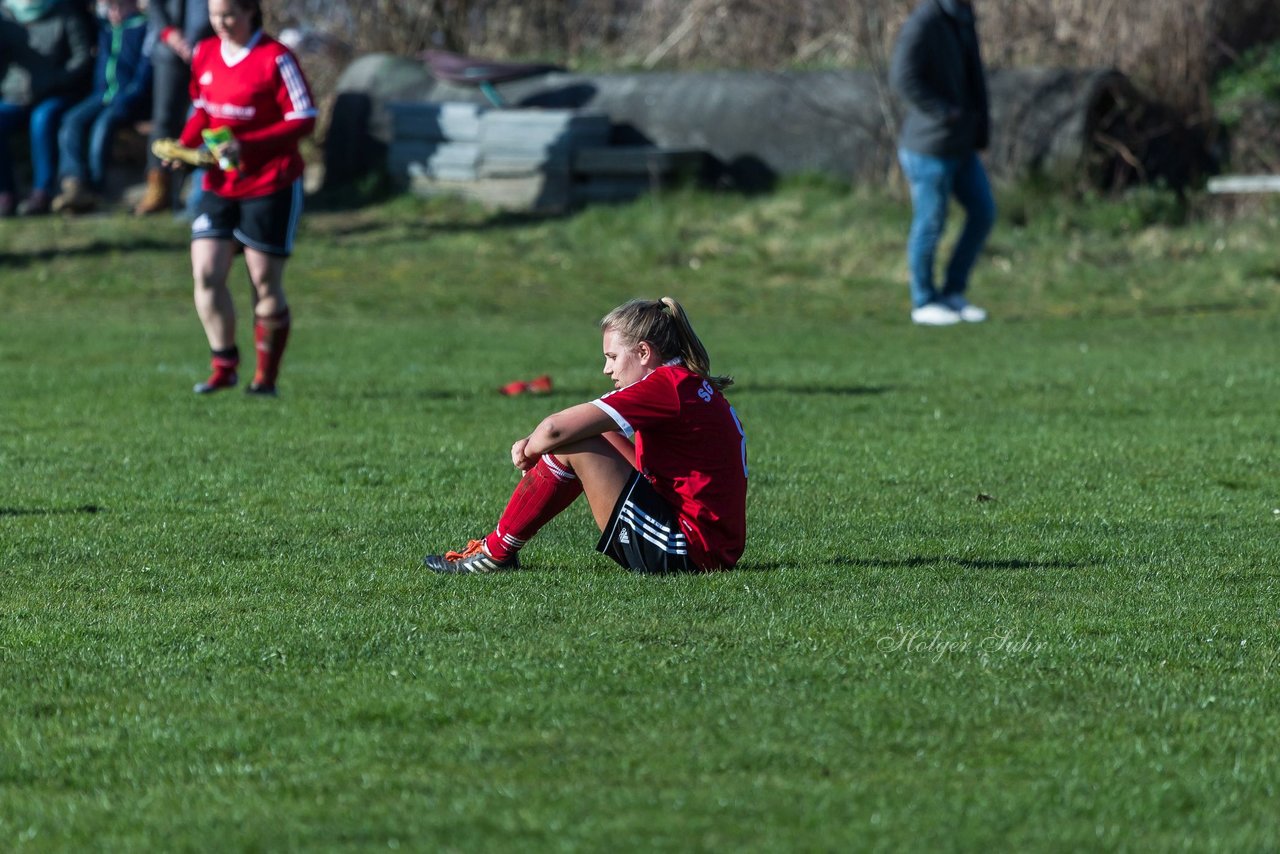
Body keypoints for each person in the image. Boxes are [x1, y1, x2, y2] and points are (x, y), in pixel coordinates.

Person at [423, 298, 749, 575]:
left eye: (612, 357)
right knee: (592, 432)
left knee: (573, 442)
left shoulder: (665, 386)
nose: (607, 369)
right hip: (708, 544)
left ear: (644, 352)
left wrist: (530, 449)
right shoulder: (682, 382)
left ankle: (494, 553)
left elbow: (555, 429)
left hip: (687, 551)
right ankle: (499, 549)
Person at [155, 0, 316, 395]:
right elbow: (203, 110)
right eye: (214, 15)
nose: (221, 23)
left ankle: (265, 379)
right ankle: (223, 365)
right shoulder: (206, 52)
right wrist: (185, 147)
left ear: (250, 13)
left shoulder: (275, 58)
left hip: (270, 182)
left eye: (229, 15)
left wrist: (248, 145)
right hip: (218, 183)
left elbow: (304, 117)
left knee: (263, 282)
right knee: (206, 274)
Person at [889, 0, 996, 326]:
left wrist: (977, 128)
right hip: (929, 146)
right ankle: (923, 301)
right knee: (930, 222)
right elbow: (902, 77)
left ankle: (952, 293)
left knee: (983, 212)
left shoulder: (962, 18)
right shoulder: (925, 22)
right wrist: (944, 112)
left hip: (962, 145)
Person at [50, 0, 152, 214]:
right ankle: (74, 182)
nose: (114, 13)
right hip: (101, 95)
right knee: (71, 120)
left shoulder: (143, 27)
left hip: (129, 99)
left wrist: (128, 98)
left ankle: (96, 187)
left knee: (103, 125)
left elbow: (143, 76)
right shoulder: (105, 27)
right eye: (110, 8)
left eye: (119, 7)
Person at [0, 0, 94, 217]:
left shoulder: (64, 11)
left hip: (54, 93)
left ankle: (42, 191)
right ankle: (5, 193)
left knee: (41, 120)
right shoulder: (5, 14)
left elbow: (81, 56)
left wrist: (54, 80)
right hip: (13, 94)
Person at [134, 0, 210, 215]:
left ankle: (199, 191)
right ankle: (159, 186)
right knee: (164, 120)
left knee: (206, 115)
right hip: (169, 49)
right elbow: (155, 6)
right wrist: (171, 34)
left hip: (209, 46)